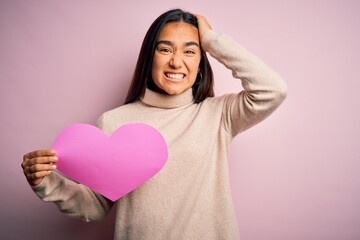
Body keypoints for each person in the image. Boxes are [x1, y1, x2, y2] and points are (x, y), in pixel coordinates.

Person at [21, 9, 287, 240]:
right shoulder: (114, 121)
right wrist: (46, 182)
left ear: (201, 63)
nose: (176, 61)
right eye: (165, 49)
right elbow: (96, 206)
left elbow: (272, 89)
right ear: (151, 57)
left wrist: (212, 41)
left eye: (190, 51)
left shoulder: (219, 115)